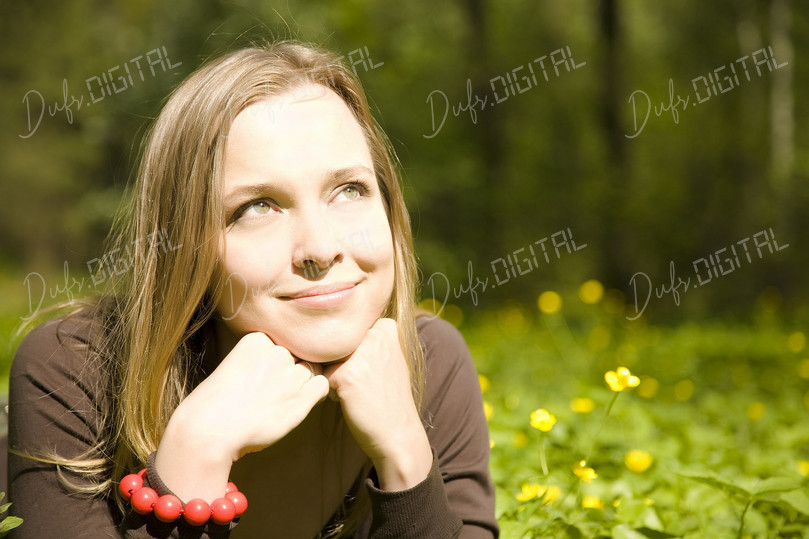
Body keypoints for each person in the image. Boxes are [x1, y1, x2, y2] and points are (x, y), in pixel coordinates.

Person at [8, 41, 498, 538]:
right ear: (186, 247)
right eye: (258, 207)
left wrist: (407, 459)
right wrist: (194, 456)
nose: (320, 247)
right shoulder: (75, 372)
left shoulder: (431, 362)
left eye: (349, 190)